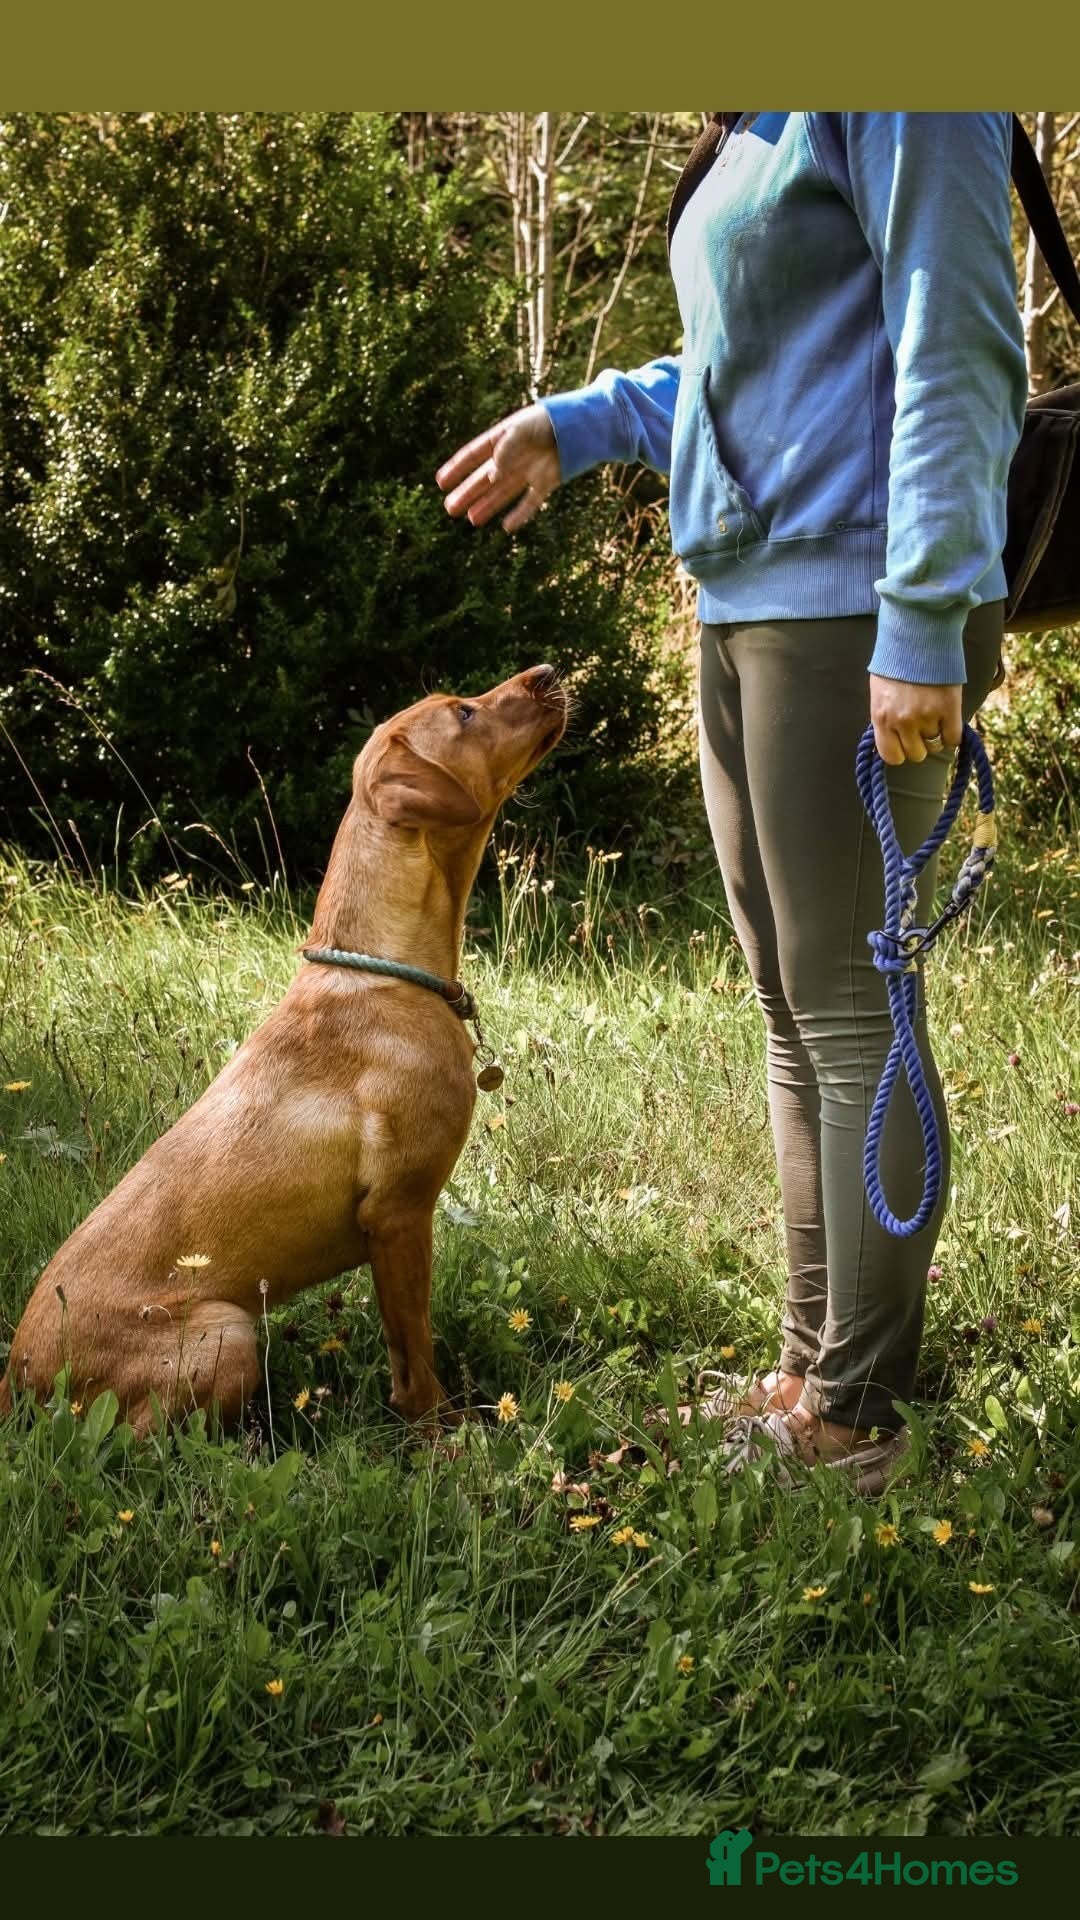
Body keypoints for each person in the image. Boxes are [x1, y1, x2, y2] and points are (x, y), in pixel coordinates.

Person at [435, 113, 1027, 1493]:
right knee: (789, 1002)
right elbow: (739, 373)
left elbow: (960, 341)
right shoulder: (766, 109)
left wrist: (927, 614)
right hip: (755, 600)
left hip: (855, 605)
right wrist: (574, 423)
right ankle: (813, 1367)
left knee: (848, 1002)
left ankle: (861, 1415)